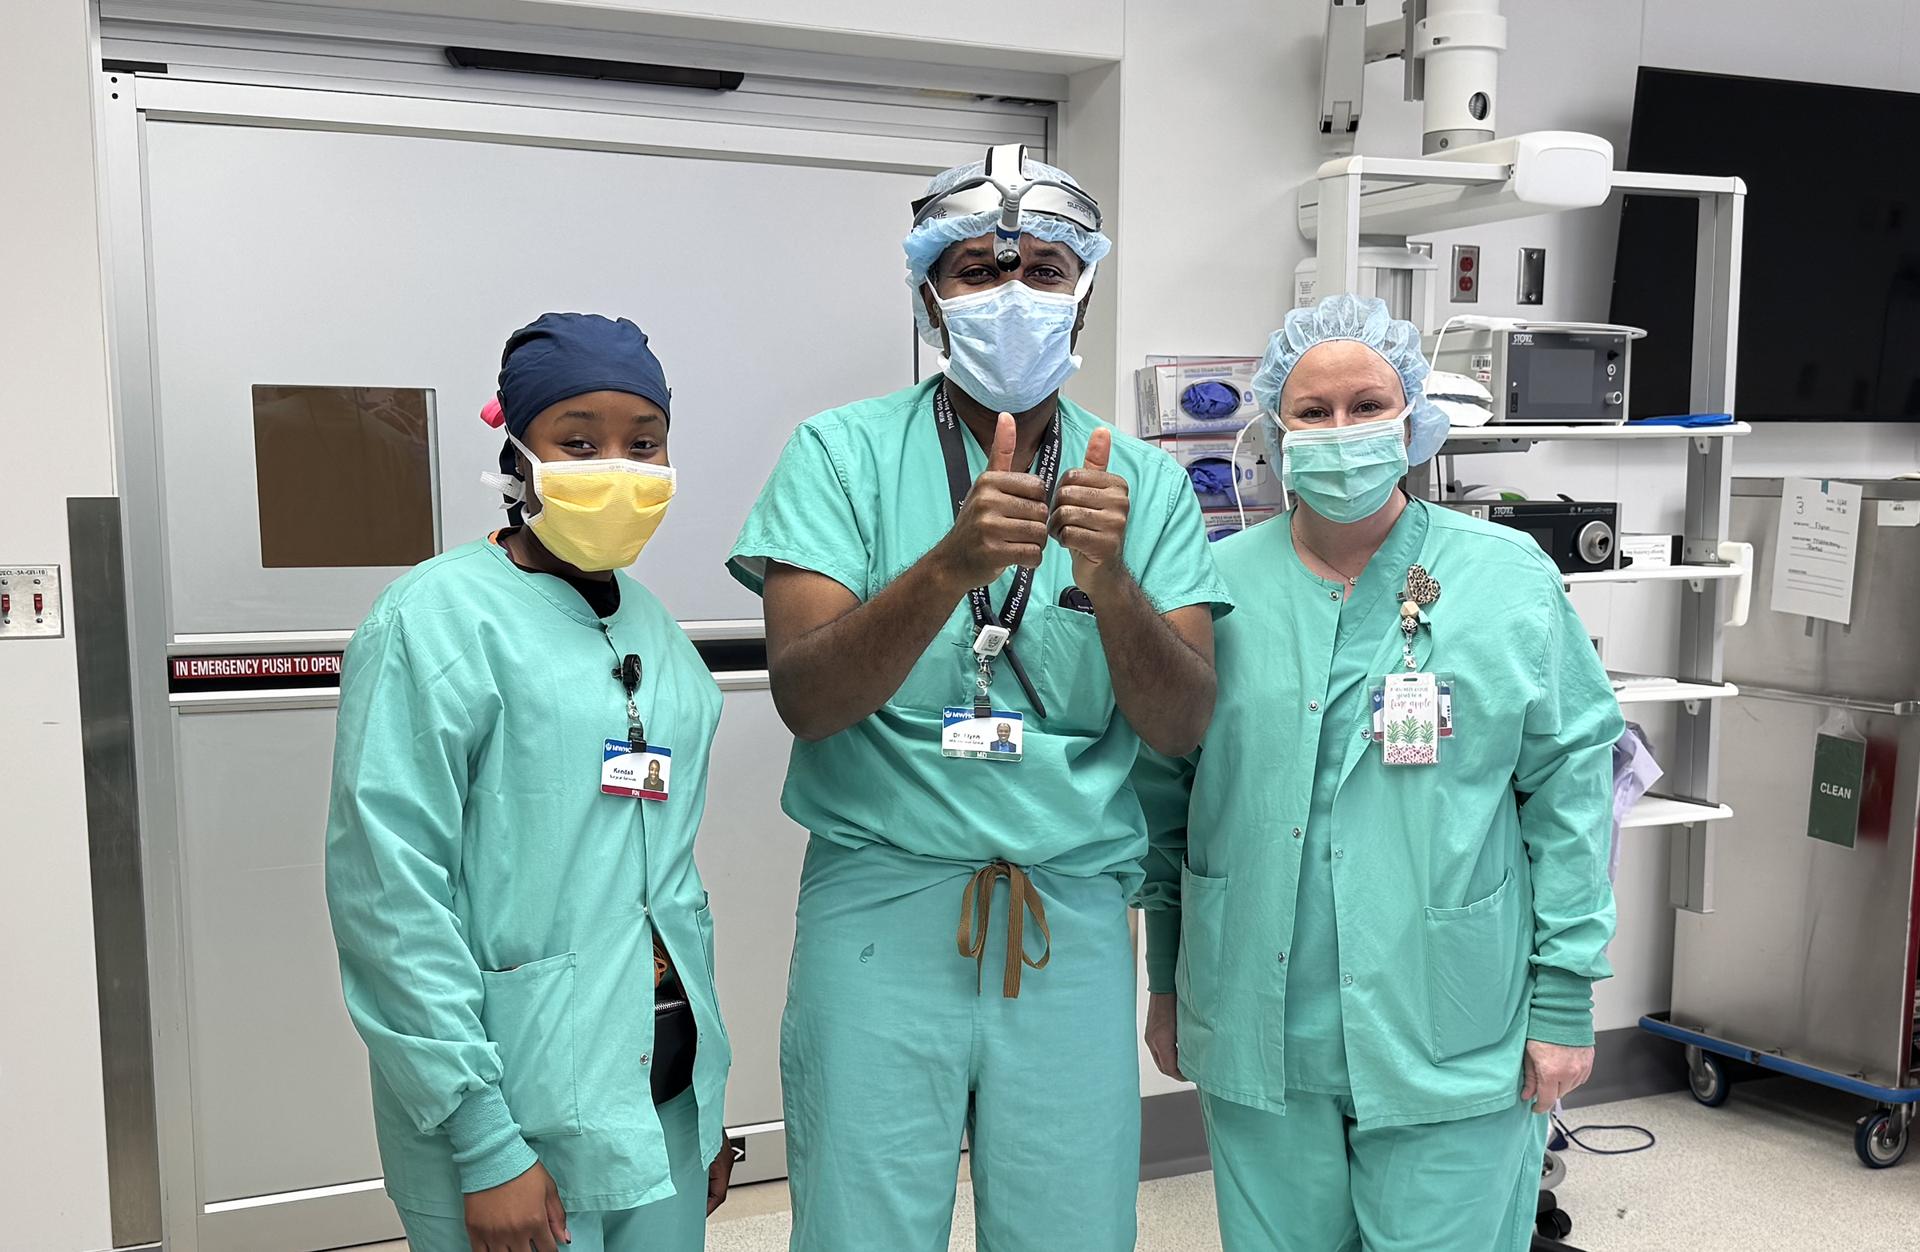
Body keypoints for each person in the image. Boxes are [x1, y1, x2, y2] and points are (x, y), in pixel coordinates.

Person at [728, 144, 1231, 1251]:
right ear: (929, 299)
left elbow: (1183, 722)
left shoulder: (1142, 484)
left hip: (1068, 911)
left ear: (1083, 294)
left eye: (1045, 270)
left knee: (1070, 1227)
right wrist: (947, 569)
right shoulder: (840, 455)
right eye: (978, 271)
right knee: (861, 1226)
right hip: (882, 904)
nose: (1013, 294)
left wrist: (1111, 582)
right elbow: (807, 697)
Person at [1135, 294, 1621, 1252]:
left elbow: (1571, 793)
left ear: (1414, 420)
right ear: (1274, 430)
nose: (1342, 431)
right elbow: (1168, 801)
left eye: (1367, 406)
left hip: (1454, 1016)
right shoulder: (1216, 588)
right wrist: (1166, 982)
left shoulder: (1506, 578)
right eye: (1313, 412)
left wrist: (1564, 997)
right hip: (1259, 1014)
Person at [326, 313, 733, 1252]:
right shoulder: (432, 620)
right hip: (510, 1112)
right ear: (516, 456)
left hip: (661, 1091)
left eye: (644, 443)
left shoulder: (654, 631)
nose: (618, 468)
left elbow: (669, 883)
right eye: (579, 442)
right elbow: (389, 896)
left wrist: (705, 1104)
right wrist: (483, 1140)